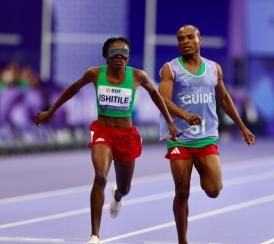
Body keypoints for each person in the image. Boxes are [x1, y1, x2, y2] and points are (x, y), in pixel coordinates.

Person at [33, 37, 178, 244]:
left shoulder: (137, 76)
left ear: (128, 57)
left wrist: (170, 122)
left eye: (124, 53)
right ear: (105, 56)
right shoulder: (95, 74)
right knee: (100, 176)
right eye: (114, 53)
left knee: (125, 187)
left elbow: (156, 95)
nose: (119, 57)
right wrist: (51, 111)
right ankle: (95, 235)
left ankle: (117, 196)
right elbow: (72, 89)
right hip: (103, 132)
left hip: (126, 137)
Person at [158, 25, 255, 244]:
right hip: (179, 138)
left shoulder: (214, 69)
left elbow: (224, 99)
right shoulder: (170, 69)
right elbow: (163, 99)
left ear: (199, 39)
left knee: (213, 189)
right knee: (181, 191)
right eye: (180, 39)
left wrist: (242, 127)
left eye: (190, 37)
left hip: (206, 136)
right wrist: (184, 115)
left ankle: (203, 169)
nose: (185, 41)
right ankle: (182, 240)